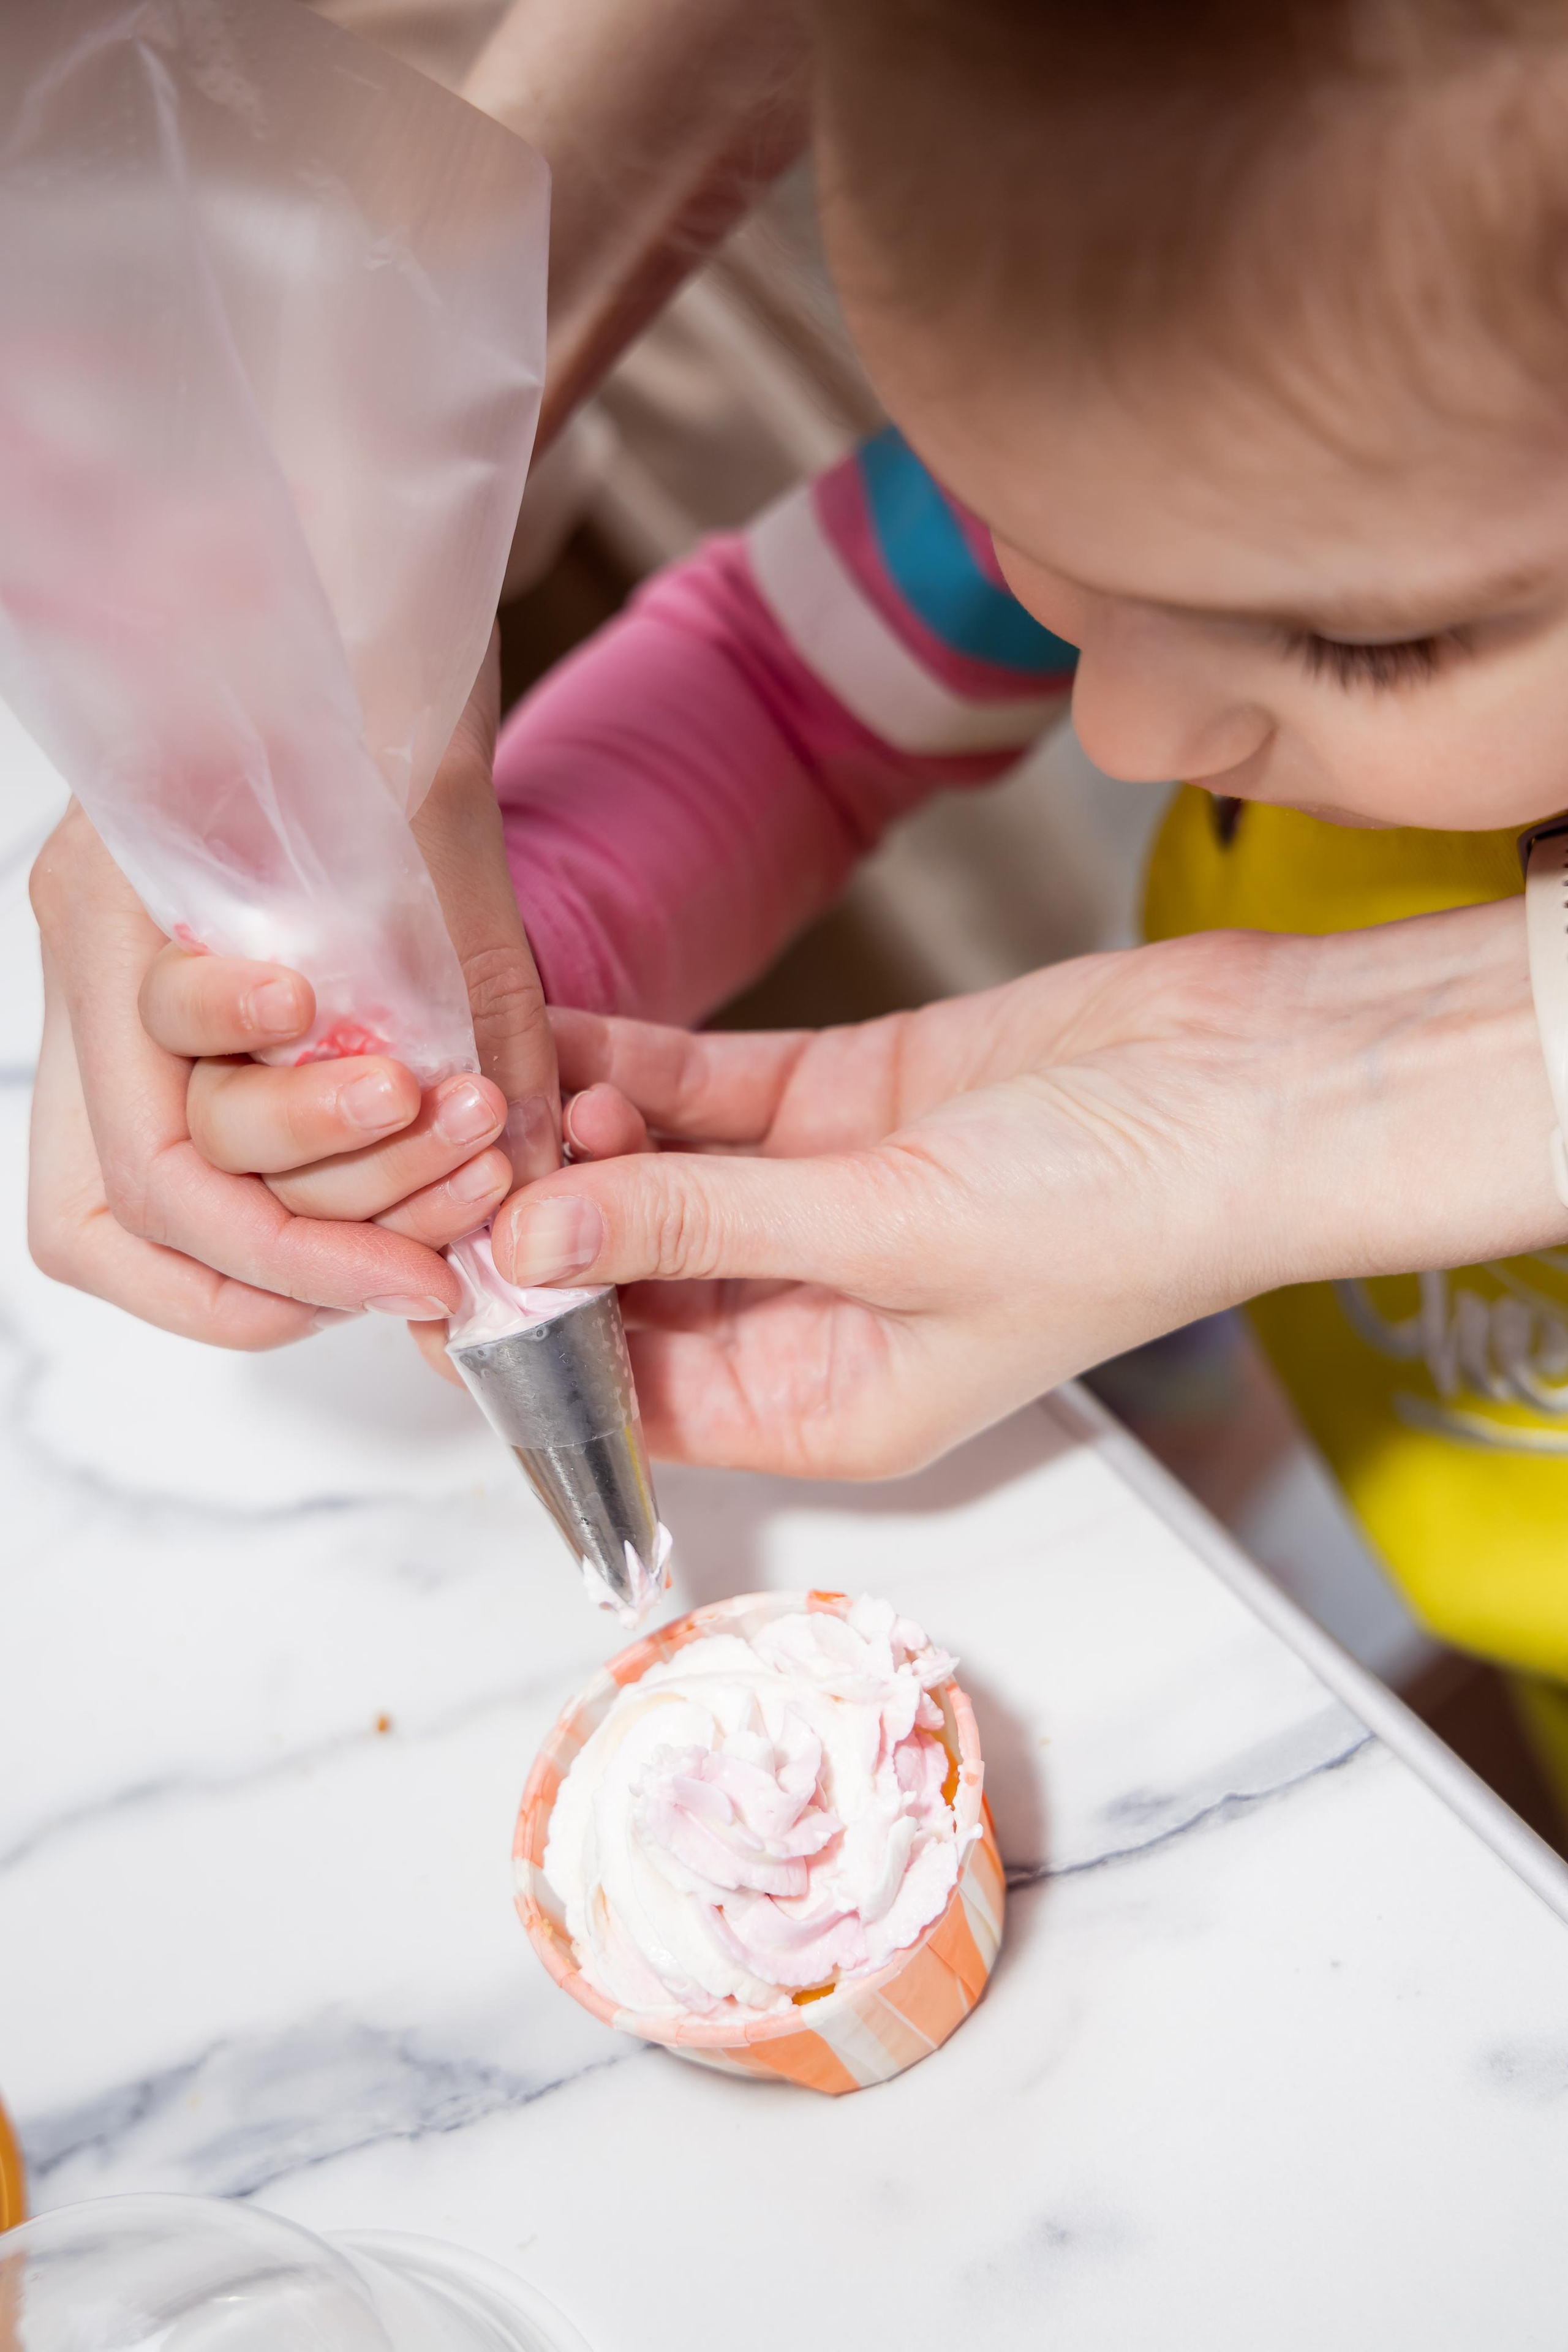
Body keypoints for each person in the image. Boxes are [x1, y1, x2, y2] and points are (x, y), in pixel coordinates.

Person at [26, 0, 1568, 1785]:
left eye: (1362, 650)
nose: (1126, 724)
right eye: (1028, 537)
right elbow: (786, 691)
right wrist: (481, 983)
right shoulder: (1216, 488)